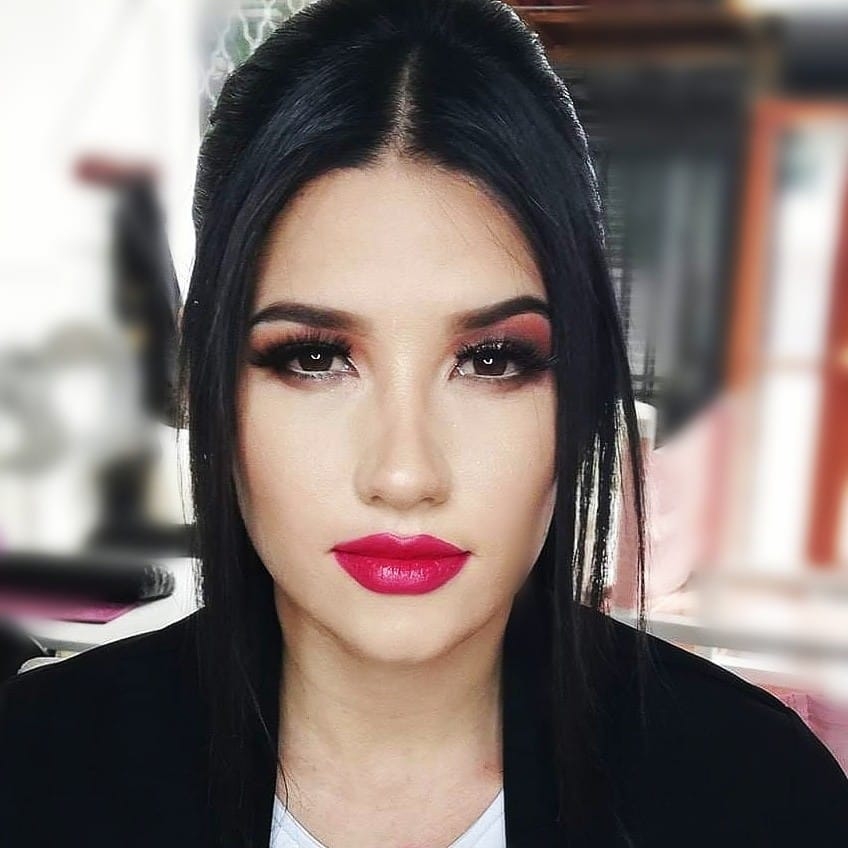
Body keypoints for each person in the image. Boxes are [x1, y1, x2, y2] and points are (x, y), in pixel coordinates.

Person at [2, 1, 848, 846]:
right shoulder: (34, 772)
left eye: (493, 360)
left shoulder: (762, 798)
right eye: (314, 357)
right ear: (212, 376)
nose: (404, 474)